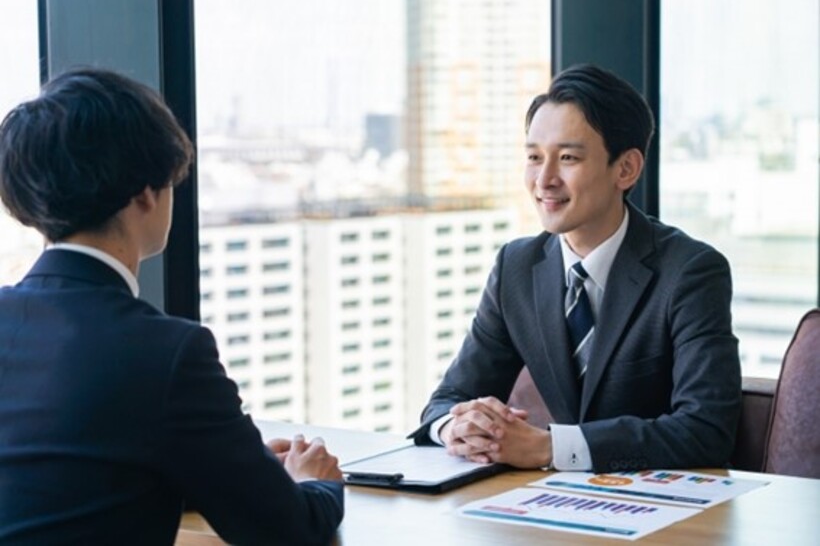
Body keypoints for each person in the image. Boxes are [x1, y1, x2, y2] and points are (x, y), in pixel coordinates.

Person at [0, 68, 343, 545]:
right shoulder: (167, 351)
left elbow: (57, 480)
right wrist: (316, 482)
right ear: (145, 192)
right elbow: (289, 531)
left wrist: (223, 467)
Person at [410, 64, 742, 474]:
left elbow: (705, 429)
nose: (544, 180)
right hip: (552, 509)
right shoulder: (516, 267)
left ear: (626, 169)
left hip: (665, 512)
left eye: (567, 158)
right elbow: (448, 399)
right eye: (534, 157)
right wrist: (456, 427)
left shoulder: (690, 272)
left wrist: (550, 448)